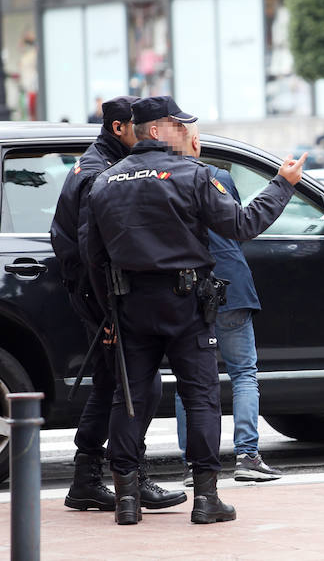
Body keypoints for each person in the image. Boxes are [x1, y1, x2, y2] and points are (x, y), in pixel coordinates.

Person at [83, 95, 306, 525]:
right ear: (155, 129)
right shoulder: (192, 174)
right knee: (200, 395)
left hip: (129, 304)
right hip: (185, 302)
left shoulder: (105, 182)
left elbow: (94, 256)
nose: (186, 130)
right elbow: (241, 225)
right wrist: (283, 183)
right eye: (178, 124)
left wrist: (107, 314)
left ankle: (127, 499)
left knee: (128, 396)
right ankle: (205, 498)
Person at [50, 95, 185, 513]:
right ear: (118, 129)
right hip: (101, 296)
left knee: (116, 382)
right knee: (138, 384)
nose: (145, 133)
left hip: (98, 293)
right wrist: (107, 309)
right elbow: (94, 248)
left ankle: (87, 477)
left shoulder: (98, 164)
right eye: (136, 125)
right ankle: (128, 474)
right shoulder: (99, 173)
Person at [174, 121, 283, 486]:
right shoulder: (217, 177)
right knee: (243, 373)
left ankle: (193, 465)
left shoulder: (161, 184)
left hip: (186, 291)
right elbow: (237, 223)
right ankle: (247, 457)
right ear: (194, 143)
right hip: (230, 286)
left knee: (188, 379)